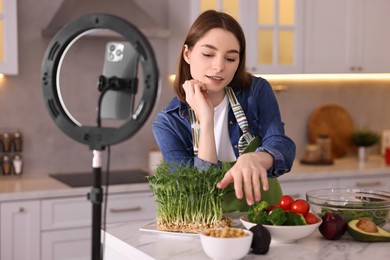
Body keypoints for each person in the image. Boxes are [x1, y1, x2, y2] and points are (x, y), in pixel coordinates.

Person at [152, 10, 296, 207]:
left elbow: (282, 148)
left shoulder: (257, 92)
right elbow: (199, 190)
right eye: (208, 54)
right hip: (213, 228)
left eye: (230, 58)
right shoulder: (168, 123)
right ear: (187, 54)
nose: (219, 66)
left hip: (267, 219)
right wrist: (206, 119)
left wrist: (255, 158)